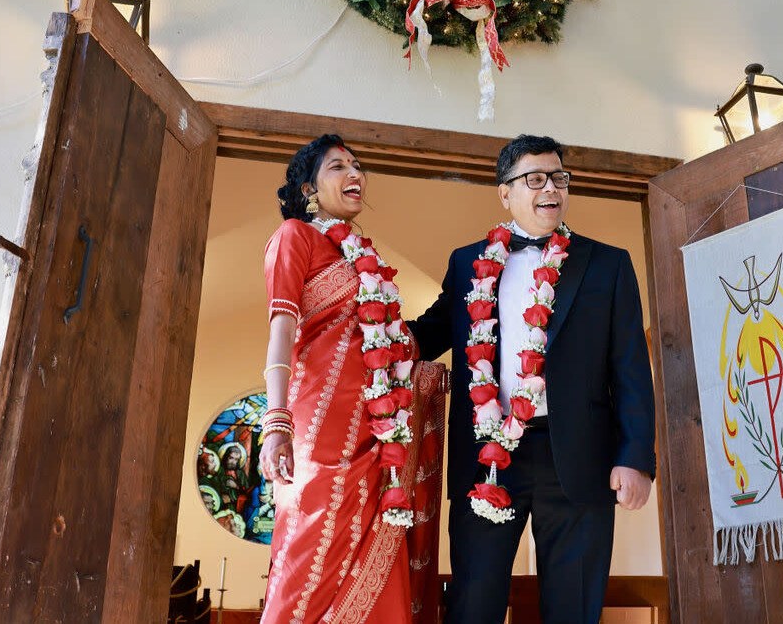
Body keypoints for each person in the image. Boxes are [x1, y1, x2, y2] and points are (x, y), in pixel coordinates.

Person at [409, 134, 656, 624]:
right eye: (535, 179)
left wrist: (635, 459)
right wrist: (362, 335)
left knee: (573, 605)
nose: (551, 189)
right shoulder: (466, 264)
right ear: (505, 193)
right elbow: (430, 332)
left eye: (559, 178)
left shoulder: (607, 264)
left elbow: (629, 367)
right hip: (487, 457)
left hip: (578, 457)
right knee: (473, 604)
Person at [257, 135, 444, 623]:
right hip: (319, 436)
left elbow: (395, 346)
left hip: (377, 440)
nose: (355, 174)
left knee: (378, 573)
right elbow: (281, 331)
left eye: (358, 166)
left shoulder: (366, 259)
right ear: (308, 188)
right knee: (305, 564)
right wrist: (275, 420)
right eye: (338, 166)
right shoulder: (294, 237)